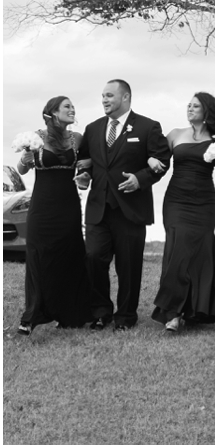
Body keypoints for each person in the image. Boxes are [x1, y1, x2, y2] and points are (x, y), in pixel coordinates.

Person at [77, 79, 171, 331]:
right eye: (102, 96)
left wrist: (140, 180)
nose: (105, 100)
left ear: (125, 97)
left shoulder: (148, 127)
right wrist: (83, 175)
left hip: (131, 209)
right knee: (93, 257)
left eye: (109, 95)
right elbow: (85, 161)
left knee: (129, 266)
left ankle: (126, 316)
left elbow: (162, 161)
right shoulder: (93, 128)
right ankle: (100, 311)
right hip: (98, 208)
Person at [150, 92, 215, 332]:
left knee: (201, 252)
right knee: (178, 250)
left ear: (207, 110)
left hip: (205, 201)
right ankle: (172, 313)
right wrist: (152, 159)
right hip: (176, 201)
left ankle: (195, 310)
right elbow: (157, 158)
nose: (190, 108)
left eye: (196, 106)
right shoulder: (174, 135)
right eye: (189, 105)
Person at [15, 97, 92, 335]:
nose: (72, 109)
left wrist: (84, 179)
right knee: (39, 256)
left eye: (72, 106)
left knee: (69, 255)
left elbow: (85, 174)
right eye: (66, 106)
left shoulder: (77, 138)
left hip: (68, 205)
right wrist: (25, 160)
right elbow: (21, 169)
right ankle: (32, 316)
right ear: (53, 113)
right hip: (42, 207)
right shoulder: (35, 137)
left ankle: (69, 314)